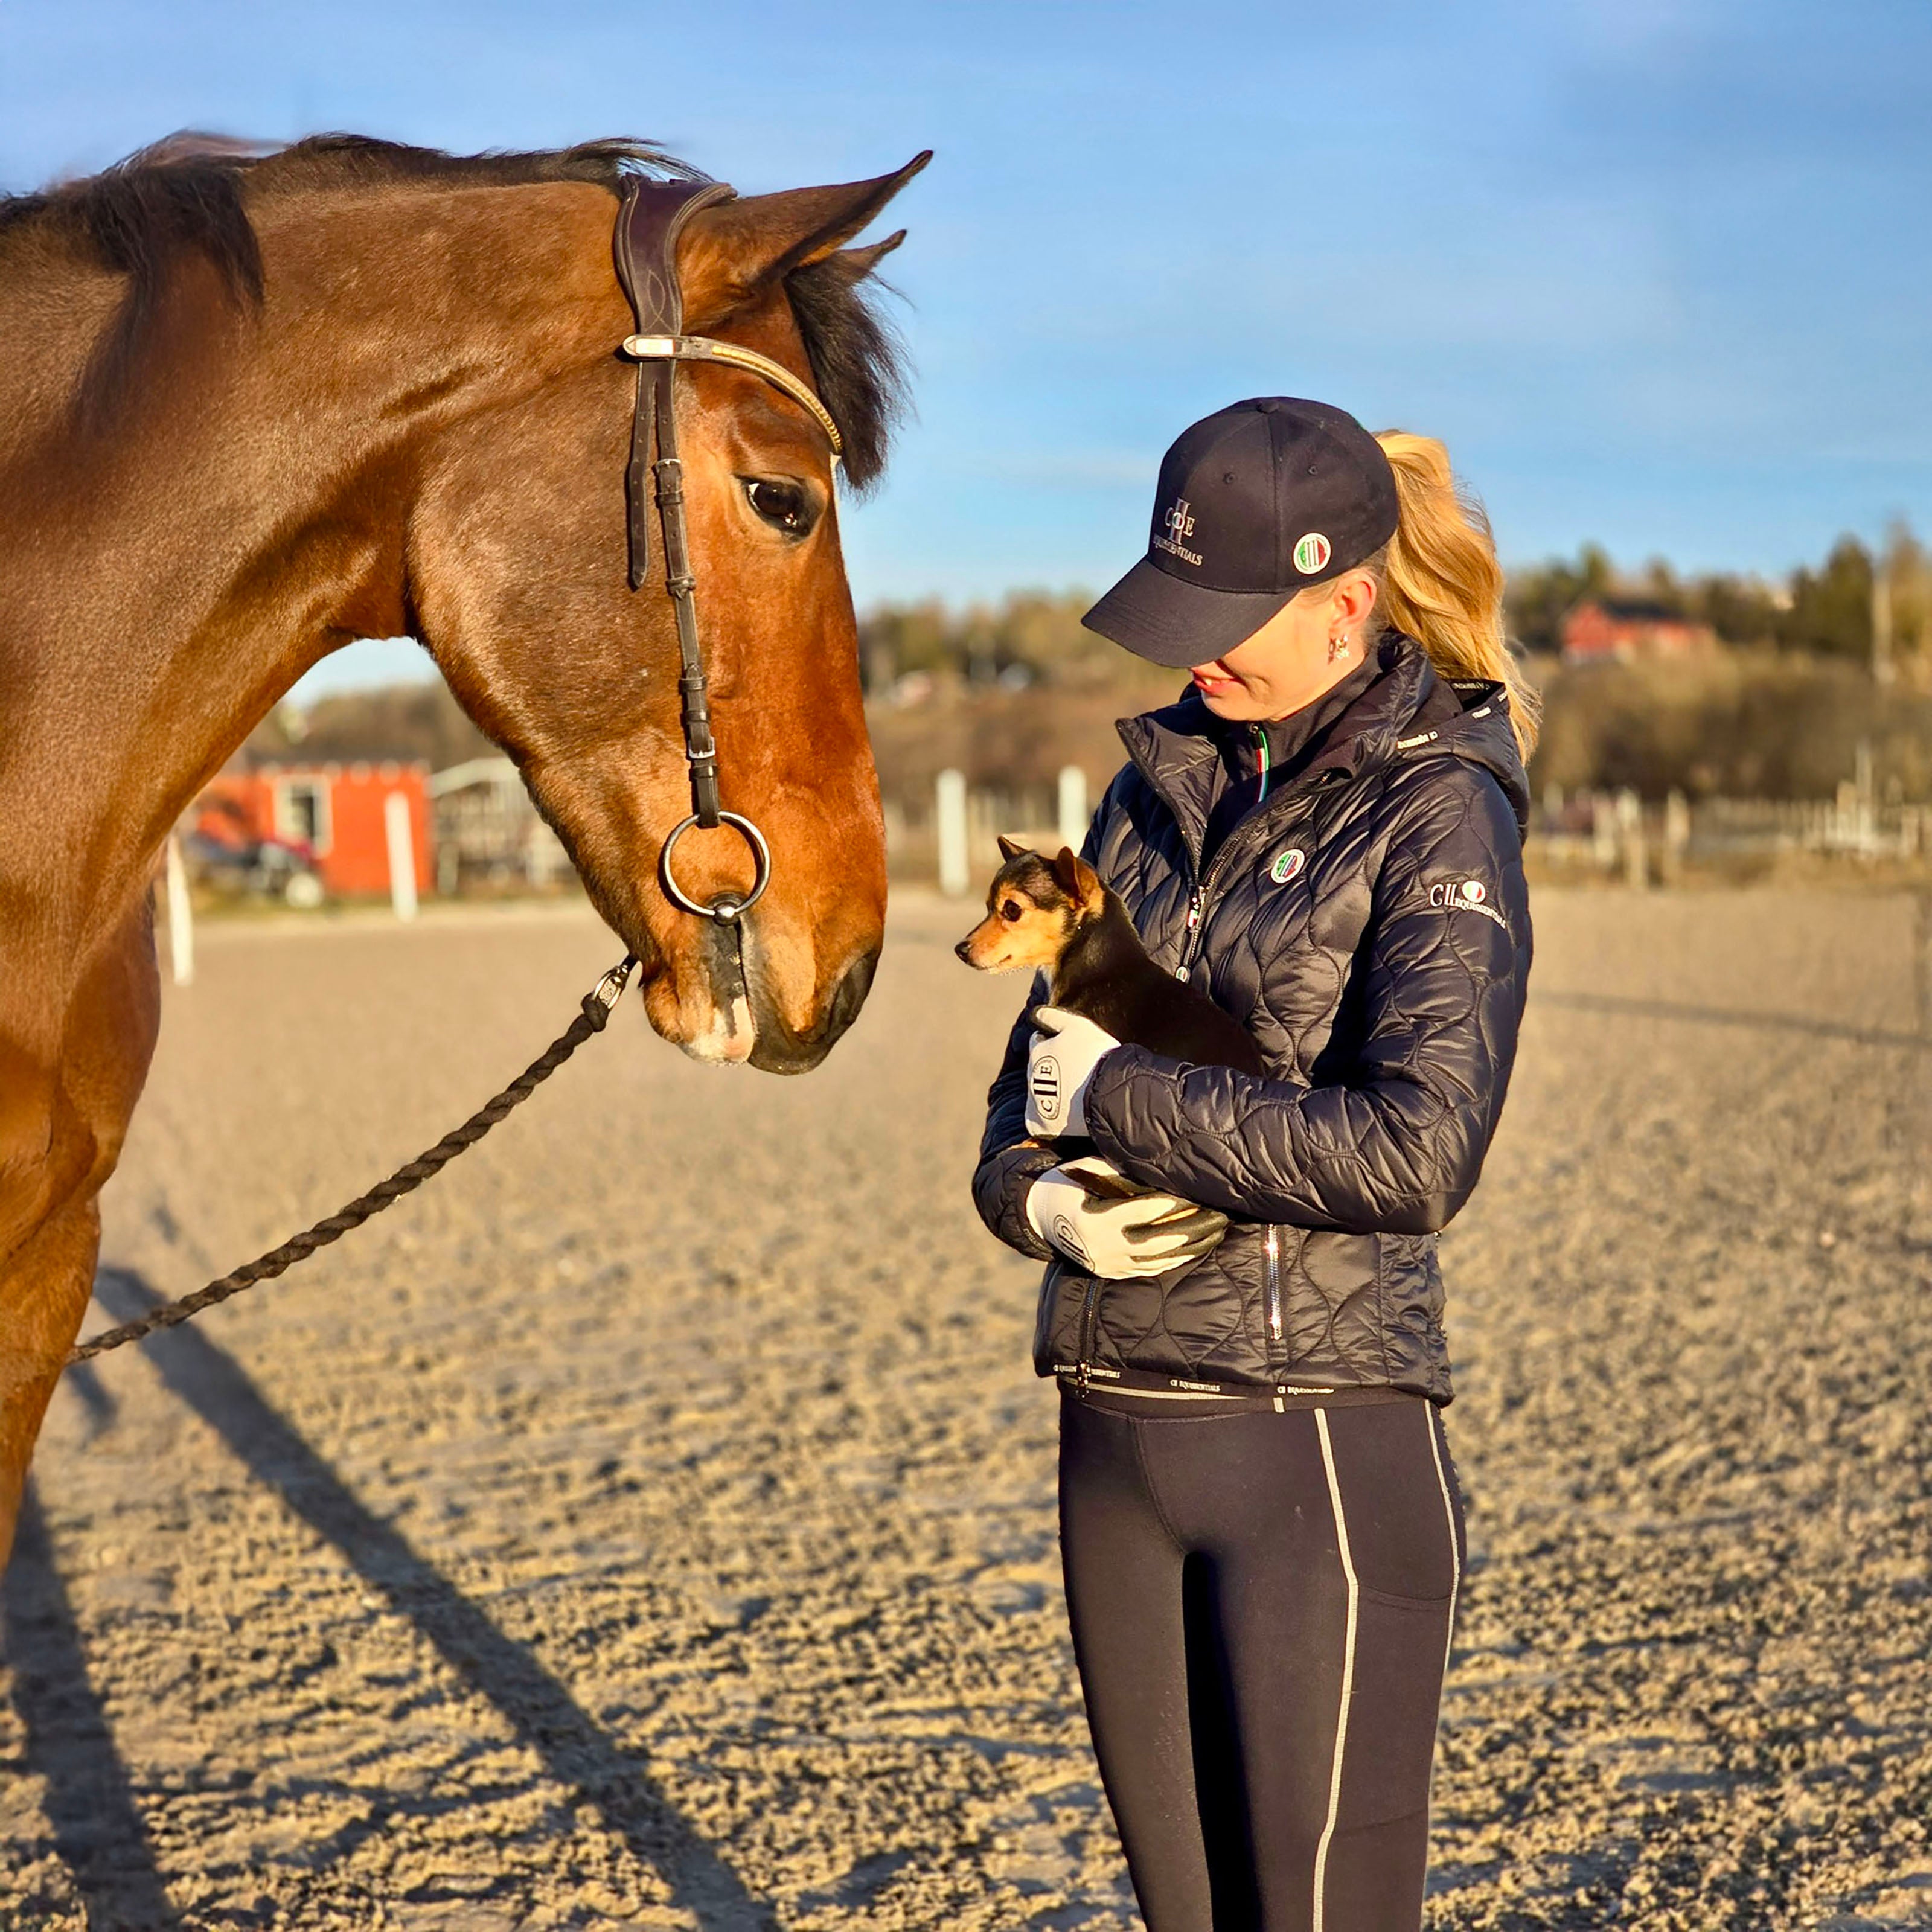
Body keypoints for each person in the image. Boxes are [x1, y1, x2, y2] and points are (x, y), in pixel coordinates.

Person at [972, 398, 1537, 1931]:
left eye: (1228, 621)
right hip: (1112, 1442)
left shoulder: (1439, 812)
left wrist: (1127, 1097)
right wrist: (1032, 1195)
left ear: (1345, 599)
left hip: (1316, 1450)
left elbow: (1417, 1151)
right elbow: (1024, 1090)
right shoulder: (1141, 799)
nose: (1192, 655)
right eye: (1180, 613)